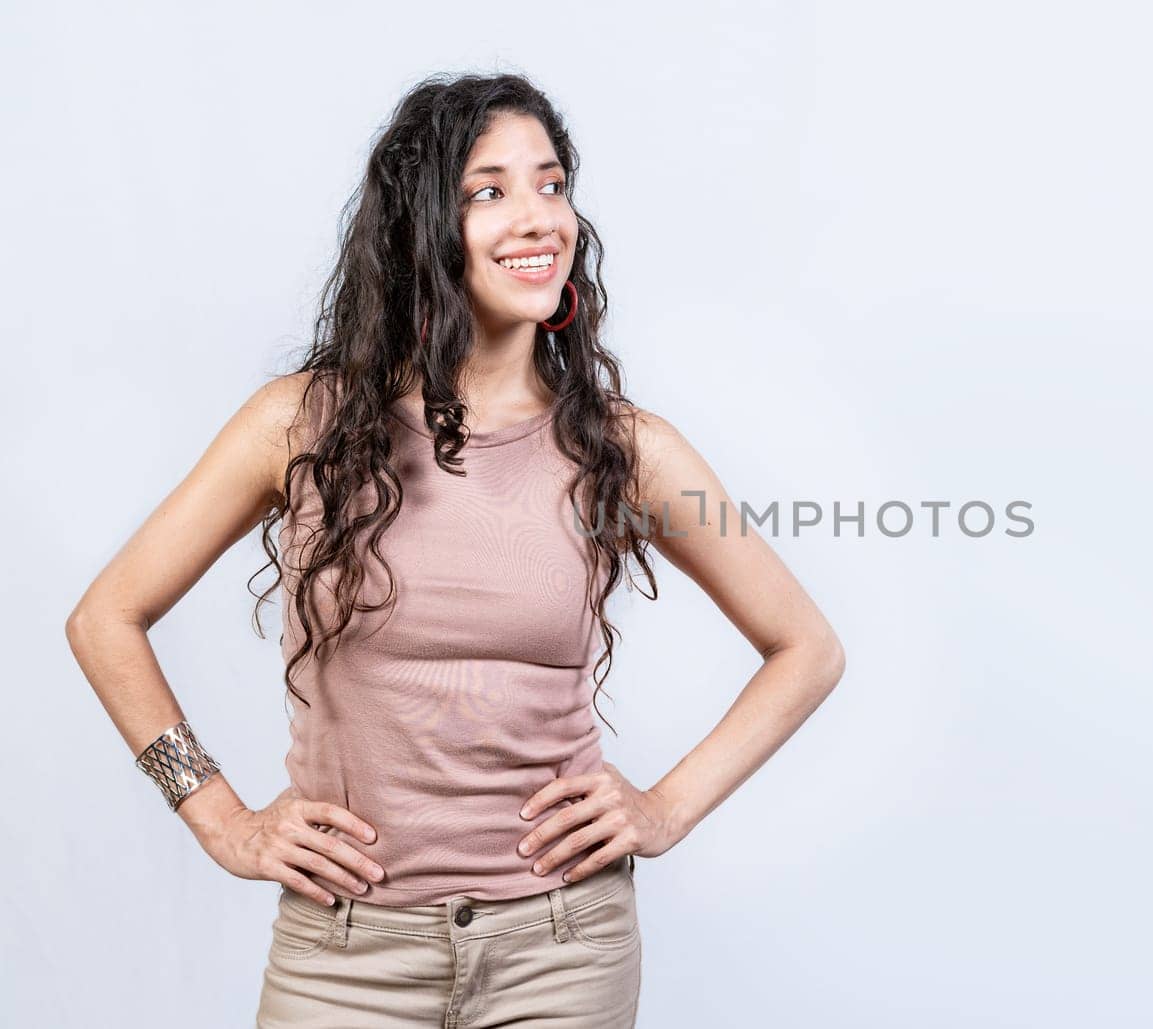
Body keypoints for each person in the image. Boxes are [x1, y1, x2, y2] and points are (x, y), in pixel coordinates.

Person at [63, 71, 846, 1027]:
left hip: (561, 950)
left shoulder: (625, 449)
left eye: (552, 184)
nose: (538, 217)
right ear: (420, 229)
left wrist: (666, 809)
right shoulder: (299, 425)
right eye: (489, 191)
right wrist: (219, 816)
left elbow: (807, 646)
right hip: (342, 954)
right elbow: (108, 615)